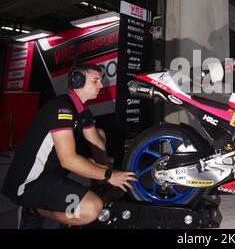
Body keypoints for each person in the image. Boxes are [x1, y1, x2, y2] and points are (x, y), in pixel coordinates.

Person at [1, 65, 137, 228]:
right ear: (78, 81)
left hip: (53, 175)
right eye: (96, 81)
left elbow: (97, 143)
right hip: (30, 183)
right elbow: (68, 160)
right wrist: (109, 174)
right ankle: (32, 210)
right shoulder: (61, 108)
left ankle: (92, 191)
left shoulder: (83, 111)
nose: (101, 86)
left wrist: (103, 181)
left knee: (99, 134)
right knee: (91, 208)